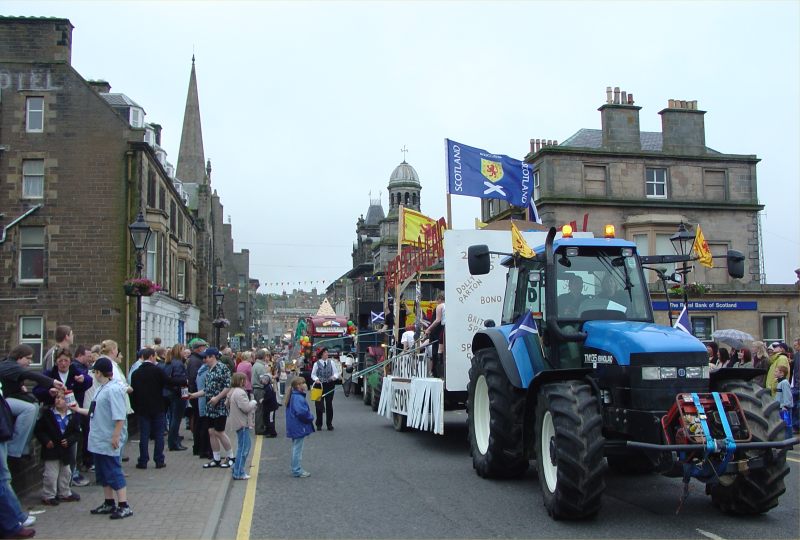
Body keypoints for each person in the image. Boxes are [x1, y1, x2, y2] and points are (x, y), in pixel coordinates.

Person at [69, 357, 132, 520]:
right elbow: (93, 411)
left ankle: (124, 504)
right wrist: (77, 409)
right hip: (98, 437)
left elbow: (120, 416)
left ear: (99, 372)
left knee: (113, 471)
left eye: (95, 371)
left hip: (107, 437)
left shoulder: (113, 390)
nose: (93, 374)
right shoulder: (101, 388)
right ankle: (109, 502)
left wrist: (116, 436)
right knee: (103, 473)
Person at [0, 345, 65, 458]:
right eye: (28, 358)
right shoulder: (9, 365)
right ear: (19, 357)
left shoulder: (12, 366)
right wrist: (52, 381)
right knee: (29, 409)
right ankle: (13, 449)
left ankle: (23, 447)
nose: (30, 362)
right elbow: (30, 374)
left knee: (34, 406)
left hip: (6, 400)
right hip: (2, 403)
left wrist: (48, 391)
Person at [130, 348, 186, 469]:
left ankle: (143, 460)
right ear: (151, 357)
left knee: (144, 435)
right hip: (157, 407)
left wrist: (135, 407)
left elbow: (133, 393)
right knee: (159, 435)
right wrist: (183, 381)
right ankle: (159, 460)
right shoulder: (157, 371)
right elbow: (169, 382)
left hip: (142, 408)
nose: (156, 358)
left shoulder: (136, 373)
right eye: (155, 356)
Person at [188, 348, 234, 469]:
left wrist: (218, 398)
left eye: (206, 357)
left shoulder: (222, 368)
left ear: (213, 356)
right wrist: (193, 395)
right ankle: (216, 458)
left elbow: (227, 386)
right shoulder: (208, 370)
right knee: (211, 432)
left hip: (219, 406)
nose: (204, 360)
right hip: (210, 406)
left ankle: (231, 457)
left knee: (219, 431)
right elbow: (207, 389)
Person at [34, 391, 81, 505]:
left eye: (62, 398)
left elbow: (77, 433)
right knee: (51, 474)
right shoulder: (48, 415)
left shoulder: (72, 416)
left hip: (65, 450)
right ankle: (49, 495)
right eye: (56, 398)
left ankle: (64, 492)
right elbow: (39, 430)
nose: (58, 400)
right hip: (52, 449)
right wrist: (46, 441)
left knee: (66, 473)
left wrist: (69, 440)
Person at [226, 373, 257, 480]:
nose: (246, 381)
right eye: (244, 380)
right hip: (242, 423)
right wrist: (253, 402)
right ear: (240, 381)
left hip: (237, 422)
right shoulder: (240, 393)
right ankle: (238, 472)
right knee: (244, 448)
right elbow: (246, 408)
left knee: (243, 446)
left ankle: (236, 468)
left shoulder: (233, 391)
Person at [285, 376, 313, 478]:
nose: (305, 385)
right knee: (298, 448)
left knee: (296, 447)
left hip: (294, 425)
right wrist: (311, 417)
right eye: (303, 383)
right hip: (298, 425)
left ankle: (295, 467)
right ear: (298, 386)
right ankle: (297, 469)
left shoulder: (294, 395)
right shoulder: (298, 397)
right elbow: (301, 412)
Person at [162, 344, 189, 451]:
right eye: (183, 350)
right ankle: (173, 443)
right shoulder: (178, 364)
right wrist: (185, 381)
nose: (185, 352)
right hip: (177, 393)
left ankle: (173, 441)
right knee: (176, 419)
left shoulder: (169, 363)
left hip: (169, 393)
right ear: (179, 351)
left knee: (173, 418)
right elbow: (177, 379)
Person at [186, 338, 209, 457]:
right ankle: (200, 447)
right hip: (198, 395)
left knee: (198, 421)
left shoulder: (193, 359)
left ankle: (198, 446)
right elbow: (196, 379)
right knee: (200, 422)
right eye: (204, 347)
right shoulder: (196, 361)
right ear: (200, 348)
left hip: (195, 394)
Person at [310, 347, 339, 431]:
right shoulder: (316, 364)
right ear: (321, 354)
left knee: (329, 404)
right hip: (319, 386)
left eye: (327, 352)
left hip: (329, 385)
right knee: (319, 405)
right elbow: (313, 374)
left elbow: (336, 373)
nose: (327, 354)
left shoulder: (331, 362)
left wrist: (334, 377)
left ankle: (329, 424)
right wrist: (316, 379)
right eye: (325, 352)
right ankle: (319, 424)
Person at [424, 291, 446, 377]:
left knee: (439, 351)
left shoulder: (440, 306)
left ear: (440, 299)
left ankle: (438, 372)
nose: (436, 301)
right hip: (447, 329)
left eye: (437, 300)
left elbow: (437, 320)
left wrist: (428, 329)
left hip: (442, 329)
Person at [774, 365, 794, 440]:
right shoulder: (780, 383)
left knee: (787, 425)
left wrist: (785, 406)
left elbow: (787, 395)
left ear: (782, 373)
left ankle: (788, 442)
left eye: (776, 371)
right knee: (783, 425)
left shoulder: (784, 383)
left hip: (785, 408)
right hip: (781, 407)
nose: (774, 373)